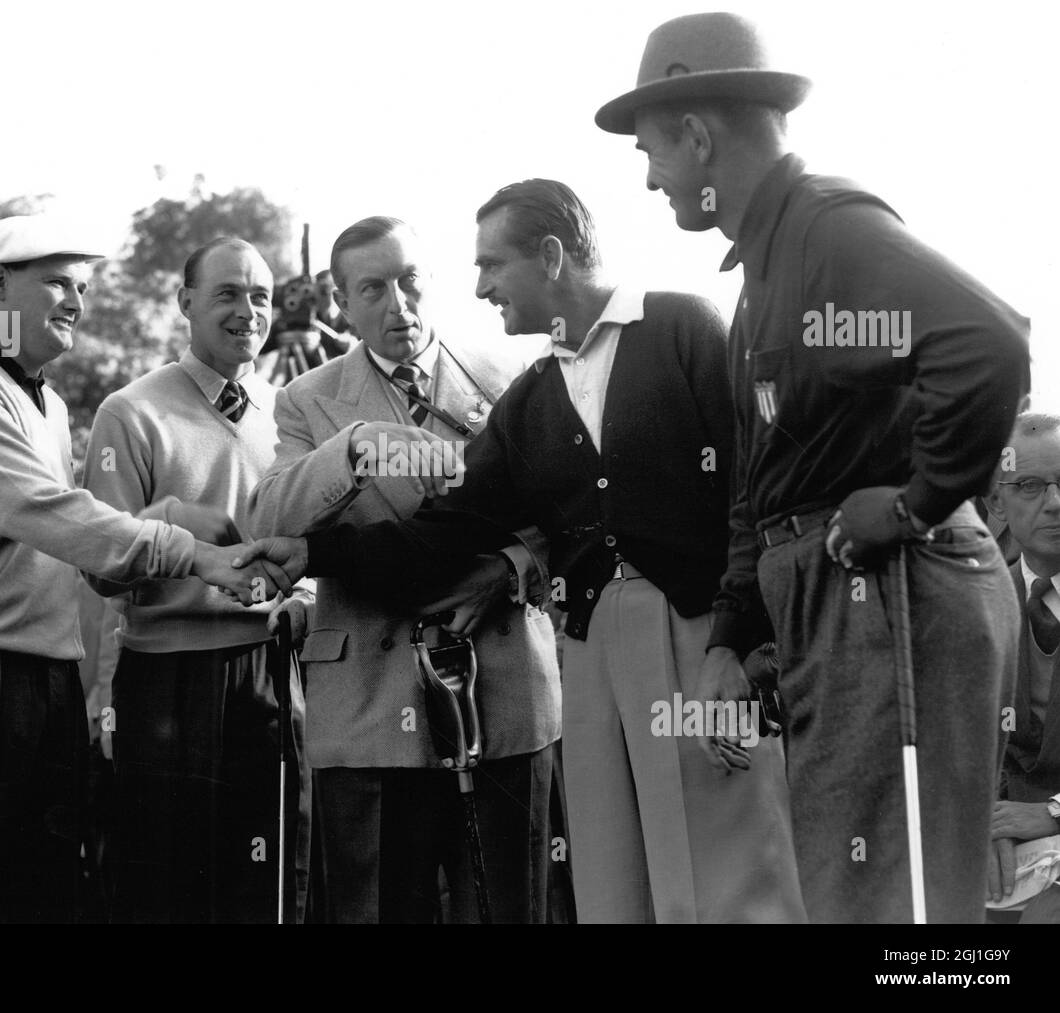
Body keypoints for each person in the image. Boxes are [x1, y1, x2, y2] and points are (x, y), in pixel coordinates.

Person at [256, 180, 806, 922]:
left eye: (493, 266)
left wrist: (742, 643)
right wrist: (309, 552)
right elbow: (440, 535)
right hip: (587, 655)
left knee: (729, 870)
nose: (479, 287)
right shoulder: (532, 398)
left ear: (550, 257)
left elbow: (754, 491)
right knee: (614, 882)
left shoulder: (682, 327)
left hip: (701, 638)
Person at [597, 12, 1031, 921]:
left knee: (902, 907)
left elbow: (988, 342)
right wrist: (729, 636)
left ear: (700, 135)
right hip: (838, 609)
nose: (648, 178)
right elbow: (760, 488)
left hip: (895, 592)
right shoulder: (761, 277)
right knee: (856, 896)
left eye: (652, 152)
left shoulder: (829, 227)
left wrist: (917, 503)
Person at [0, 214, 292, 924]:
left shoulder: (50, 402)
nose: (76, 301)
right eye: (57, 282)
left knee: (37, 900)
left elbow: (70, 536)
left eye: (84, 287)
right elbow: (50, 513)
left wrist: (164, 518)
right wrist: (196, 555)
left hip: (44, 678)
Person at [247, 217, 561, 923]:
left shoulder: (510, 376)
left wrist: (508, 568)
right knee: (382, 906)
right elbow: (267, 518)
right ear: (341, 301)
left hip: (505, 689)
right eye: (373, 288)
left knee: (510, 904)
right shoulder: (308, 399)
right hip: (370, 703)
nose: (399, 303)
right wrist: (356, 449)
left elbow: (564, 516)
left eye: (410, 280)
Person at [83, 237, 311, 923]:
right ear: (185, 303)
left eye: (261, 296)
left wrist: (304, 599)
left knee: (269, 879)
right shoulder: (130, 412)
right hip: (165, 682)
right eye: (229, 294)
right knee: (165, 886)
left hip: (271, 672)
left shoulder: (291, 411)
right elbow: (97, 567)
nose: (248, 310)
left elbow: (316, 541)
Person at [985, 411, 1060, 922]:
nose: (1056, 503)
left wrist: (1055, 814)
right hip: (1009, 840)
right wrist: (984, 823)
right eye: (1030, 485)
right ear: (996, 503)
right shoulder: (980, 605)